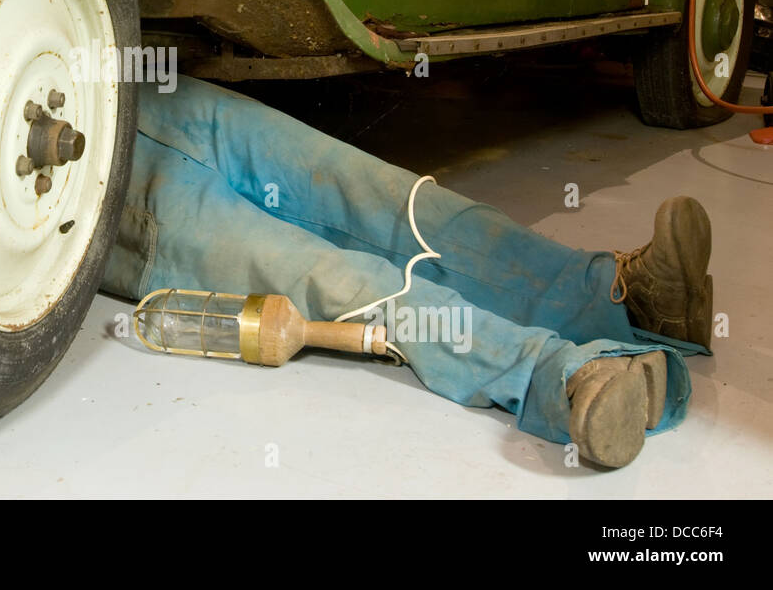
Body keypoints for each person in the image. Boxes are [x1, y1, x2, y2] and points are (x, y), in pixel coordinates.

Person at [103, 75, 713, 469]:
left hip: (134, 87)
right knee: (326, 277)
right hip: (99, 192)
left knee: (391, 199)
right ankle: (553, 375)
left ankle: (618, 297)